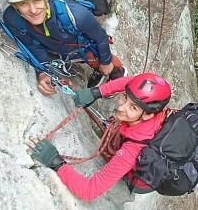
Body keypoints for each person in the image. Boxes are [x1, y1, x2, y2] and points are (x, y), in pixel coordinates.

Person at [27, 73, 172, 201]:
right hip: (140, 135)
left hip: (141, 179)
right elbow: (128, 82)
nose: (121, 107)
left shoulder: (133, 149)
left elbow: (89, 191)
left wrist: (54, 161)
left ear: (148, 115)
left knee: (119, 176)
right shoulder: (152, 107)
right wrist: (96, 92)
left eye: (132, 107)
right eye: (124, 98)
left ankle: (127, 182)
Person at [0, 0, 125, 94]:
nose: (33, 10)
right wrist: (43, 72)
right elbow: (32, 46)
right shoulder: (12, 19)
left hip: (80, 46)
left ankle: (118, 73)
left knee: (108, 65)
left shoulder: (76, 14)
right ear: (15, 6)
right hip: (55, 49)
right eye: (23, 4)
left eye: (37, 0)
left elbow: (100, 37)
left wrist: (106, 62)